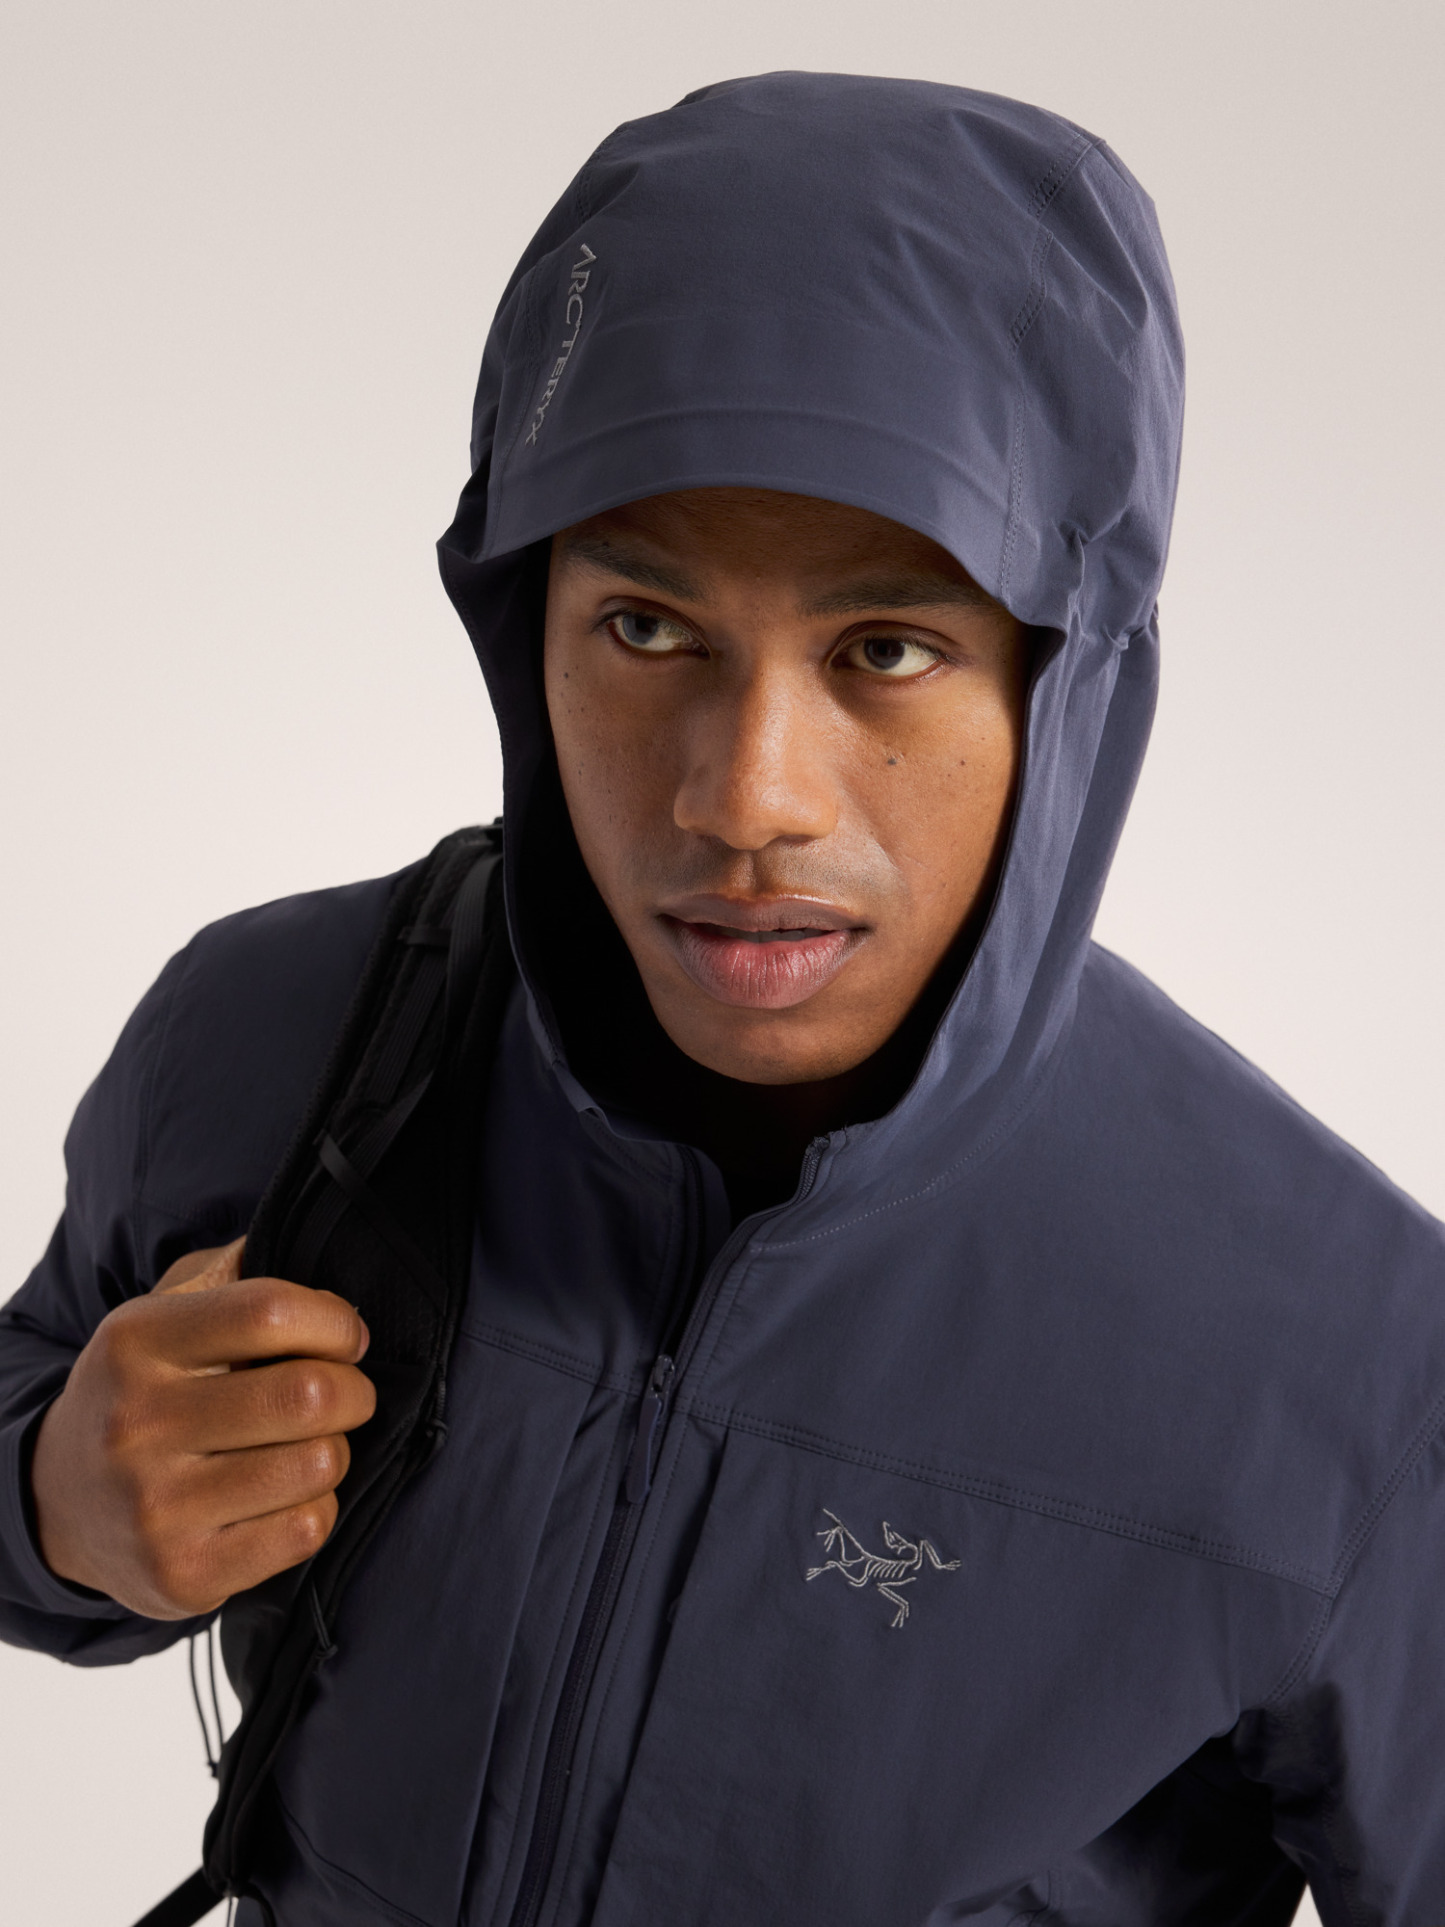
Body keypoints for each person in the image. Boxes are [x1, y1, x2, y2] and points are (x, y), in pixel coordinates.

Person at [2, 69, 1442, 1927]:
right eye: (647, 628)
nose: (745, 798)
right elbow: (41, 1399)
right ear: (523, 629)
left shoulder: (1348, 1356)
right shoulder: (269, 1034)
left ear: (1065, 682)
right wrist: (57, 1506)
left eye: (885, 648)